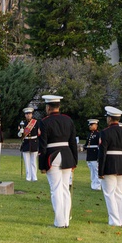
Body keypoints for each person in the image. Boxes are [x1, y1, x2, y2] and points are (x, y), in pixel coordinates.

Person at [38, 94, 78, 228]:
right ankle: (65, 220)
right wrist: (75, 161)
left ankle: (59, 222)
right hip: (67, 155)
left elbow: (42, 145)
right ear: (58, 106)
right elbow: (73, 142)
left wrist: (42, 165)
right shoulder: (68, 120)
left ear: (48, 107)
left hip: (52, 156)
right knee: (65, 189)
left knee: (56, 189)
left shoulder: (44, 122)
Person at [98, 106, 122, 227]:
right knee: (119, 193)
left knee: (109, 193)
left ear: (109, 118)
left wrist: (100, 171)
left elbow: (102, 153)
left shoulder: (105, 132)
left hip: (109, 163)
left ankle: (114, 220)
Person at [18, 105, 40, 181]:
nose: (28, 115)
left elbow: (39, 133)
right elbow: (19, 135)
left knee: (33, 161)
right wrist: (20, 133)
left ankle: (34, 177)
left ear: (32, 114)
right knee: (27, 162)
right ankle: (28, 177)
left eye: (30, 113)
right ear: (25, 115)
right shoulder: (22, 123)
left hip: (34, 142)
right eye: (27, 114)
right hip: (26, 143)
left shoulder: (36, 123)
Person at [84, 118, 102, 190]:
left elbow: (100, 144)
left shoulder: (98, 134)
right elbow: (87, 144)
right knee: (92, 170)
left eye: (91, 125)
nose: (90, 126)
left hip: (95, 154)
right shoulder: (89, 134)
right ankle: (93, 184)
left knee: (96, 170)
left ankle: (97, 185)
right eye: (89, 125)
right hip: (90, 153)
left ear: (96, 125)